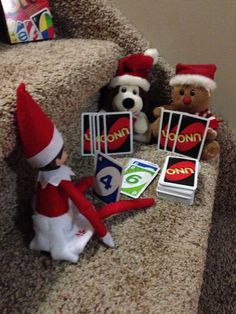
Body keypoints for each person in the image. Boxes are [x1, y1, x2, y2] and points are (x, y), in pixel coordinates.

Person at [16, 83, 155, 262]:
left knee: (89, 183)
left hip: (44, 223)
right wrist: (103, 233)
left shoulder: (41, 178)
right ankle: (145, 202)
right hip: (61, 226)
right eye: (62, 152)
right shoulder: (60, 181)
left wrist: (89, 180)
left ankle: (142, 201)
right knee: (110, 208)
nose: (66, 154)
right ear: (57, 159)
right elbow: (85, 206)